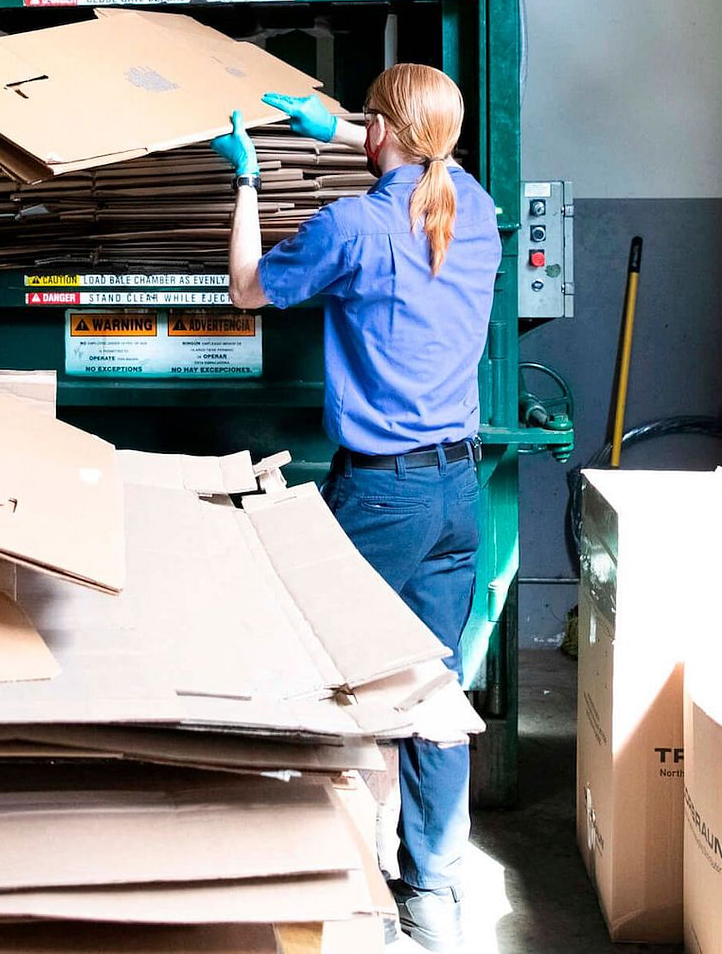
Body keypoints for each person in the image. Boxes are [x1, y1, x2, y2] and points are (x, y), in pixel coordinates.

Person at [210, 65, 502, 953]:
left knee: (323, 677)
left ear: (381, 128)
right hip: (459, 493)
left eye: (364, 122)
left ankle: (326, 879)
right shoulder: (475, 206)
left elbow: (248, 287)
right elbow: (415, 151)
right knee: (431, 689)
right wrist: (337, 126)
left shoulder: (352, 225)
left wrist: (248, 180)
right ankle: (434, 895)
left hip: (384, 493)